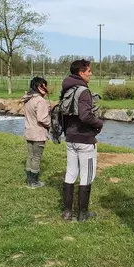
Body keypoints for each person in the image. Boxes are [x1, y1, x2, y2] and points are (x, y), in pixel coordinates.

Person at [61, 59, 103, 222]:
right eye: (88, 71)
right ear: (81, 73)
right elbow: (85, 115)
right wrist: (99, 123)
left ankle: (67, 212)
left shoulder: (66, 89)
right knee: (87, 175)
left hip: (70, 137)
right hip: (85, 139)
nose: (90, 73)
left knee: (71, 172)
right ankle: (83, 213)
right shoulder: (83, 91)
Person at [21, 76, 51, 188]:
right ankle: (34, 182)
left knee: (30, 156)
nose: (46, 88)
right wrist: (51, 124)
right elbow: (42, 118)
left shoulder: (28, 99)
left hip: (29, 132)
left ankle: (29, 180)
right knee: (36, 157)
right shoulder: (40, 101)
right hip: (38, 134)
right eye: (44, 85)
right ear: (39, 86)